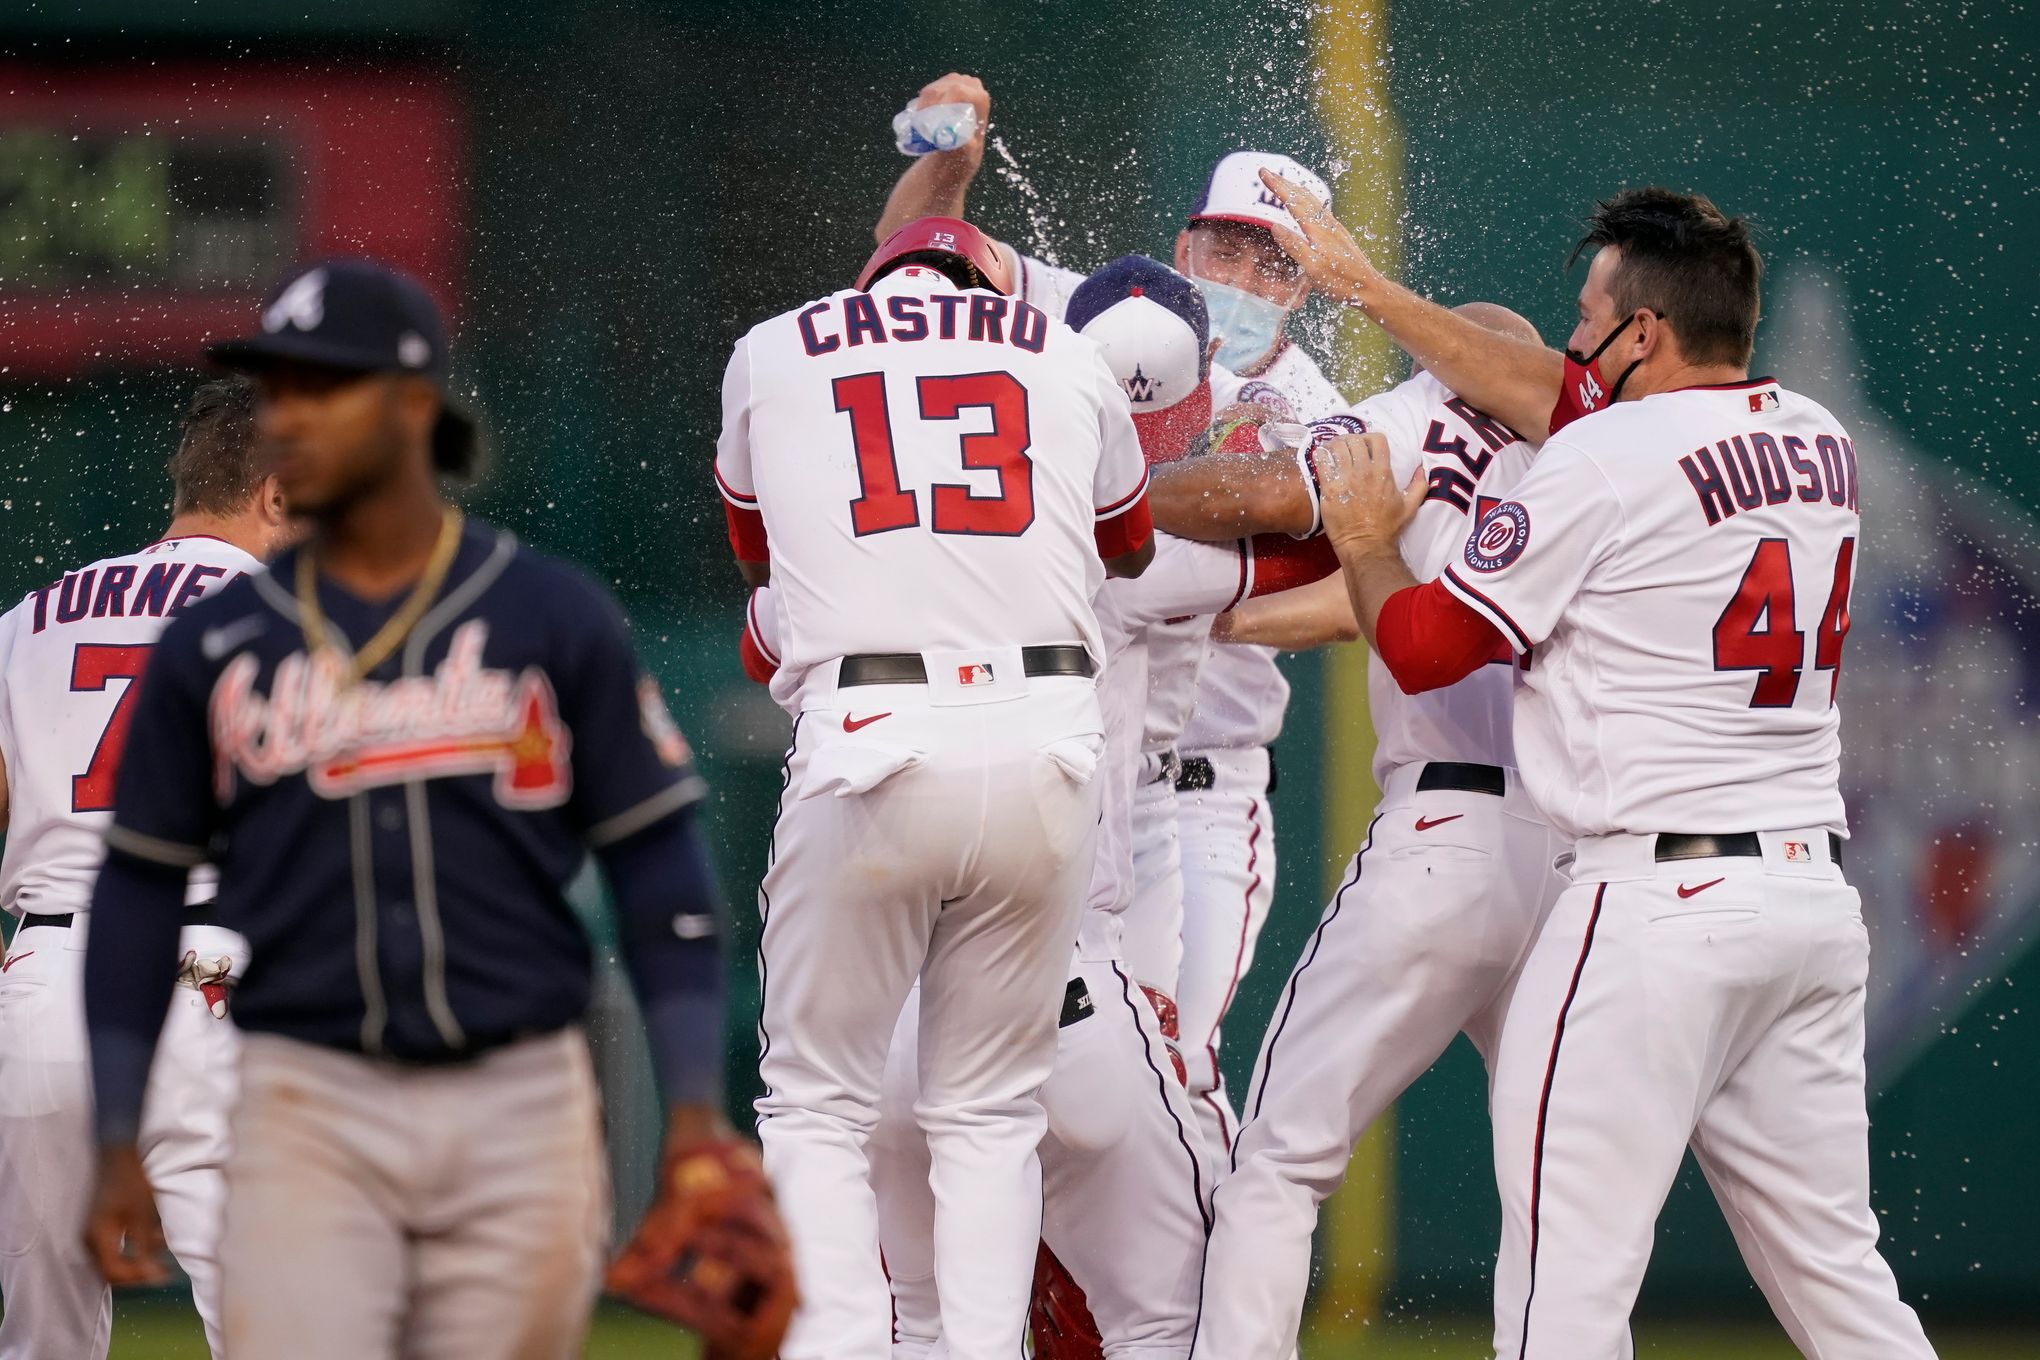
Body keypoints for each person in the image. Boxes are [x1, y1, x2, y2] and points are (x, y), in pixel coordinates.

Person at [1269, 181, 1939, 1359]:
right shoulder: (1819, 439)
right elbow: (1560, 396)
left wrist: (1372, 536)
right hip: (1807, 906)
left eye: (1590, 316)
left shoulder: (1604, 459)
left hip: (1649, 907)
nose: (1571, 339)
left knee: (1563, 1281)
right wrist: (1372, 290)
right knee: (1841, 1280)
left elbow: (1426, 650)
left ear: (1648, 333)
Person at [80, 259, 751, 1358]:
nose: (288, 416)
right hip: (301, 1095)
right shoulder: (214, 645)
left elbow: (659, 867)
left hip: (514, 1098)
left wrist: (691, 1112)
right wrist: (113, 1128)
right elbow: (139, 886)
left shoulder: (550, 614)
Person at [878, 71, 1347, 1153]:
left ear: (1307, 285)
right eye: (1228, 248)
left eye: (1276, 261)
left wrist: (1185, 596)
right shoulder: (1109, 313)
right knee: (1018, 1071)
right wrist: (949, 158)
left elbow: (1347, 576)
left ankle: (1178, 1310)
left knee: (1169, 1069)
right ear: (1186, 249)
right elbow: (906, 272)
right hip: (1059, 768)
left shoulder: (1314, 406)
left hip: (1202, 785)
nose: (1245, 274)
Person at [717, 216, 1155, 1360]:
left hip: (873, 734)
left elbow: (756, 553)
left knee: (815, 1103)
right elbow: (1132, 541)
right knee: (990, 1112)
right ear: (982, 279)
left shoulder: (778, 345)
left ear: (875, 282)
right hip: (1045, 741)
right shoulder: (1065, 350)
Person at [1141, 304, 1576, 1360]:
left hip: (1444, 831)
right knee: (1560, 1189)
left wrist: (1093, 496)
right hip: (1570, 859)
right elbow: (1366, 603)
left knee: (1280, 1163)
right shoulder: (1579, 461)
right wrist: (1232, 620)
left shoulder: (1413, 421)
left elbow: (1272, 496)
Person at [0, 376, 291, 1359]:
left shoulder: (32, 618)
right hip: (204, 979)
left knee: (40, 1341)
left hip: (40, 990)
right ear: (276, 493)